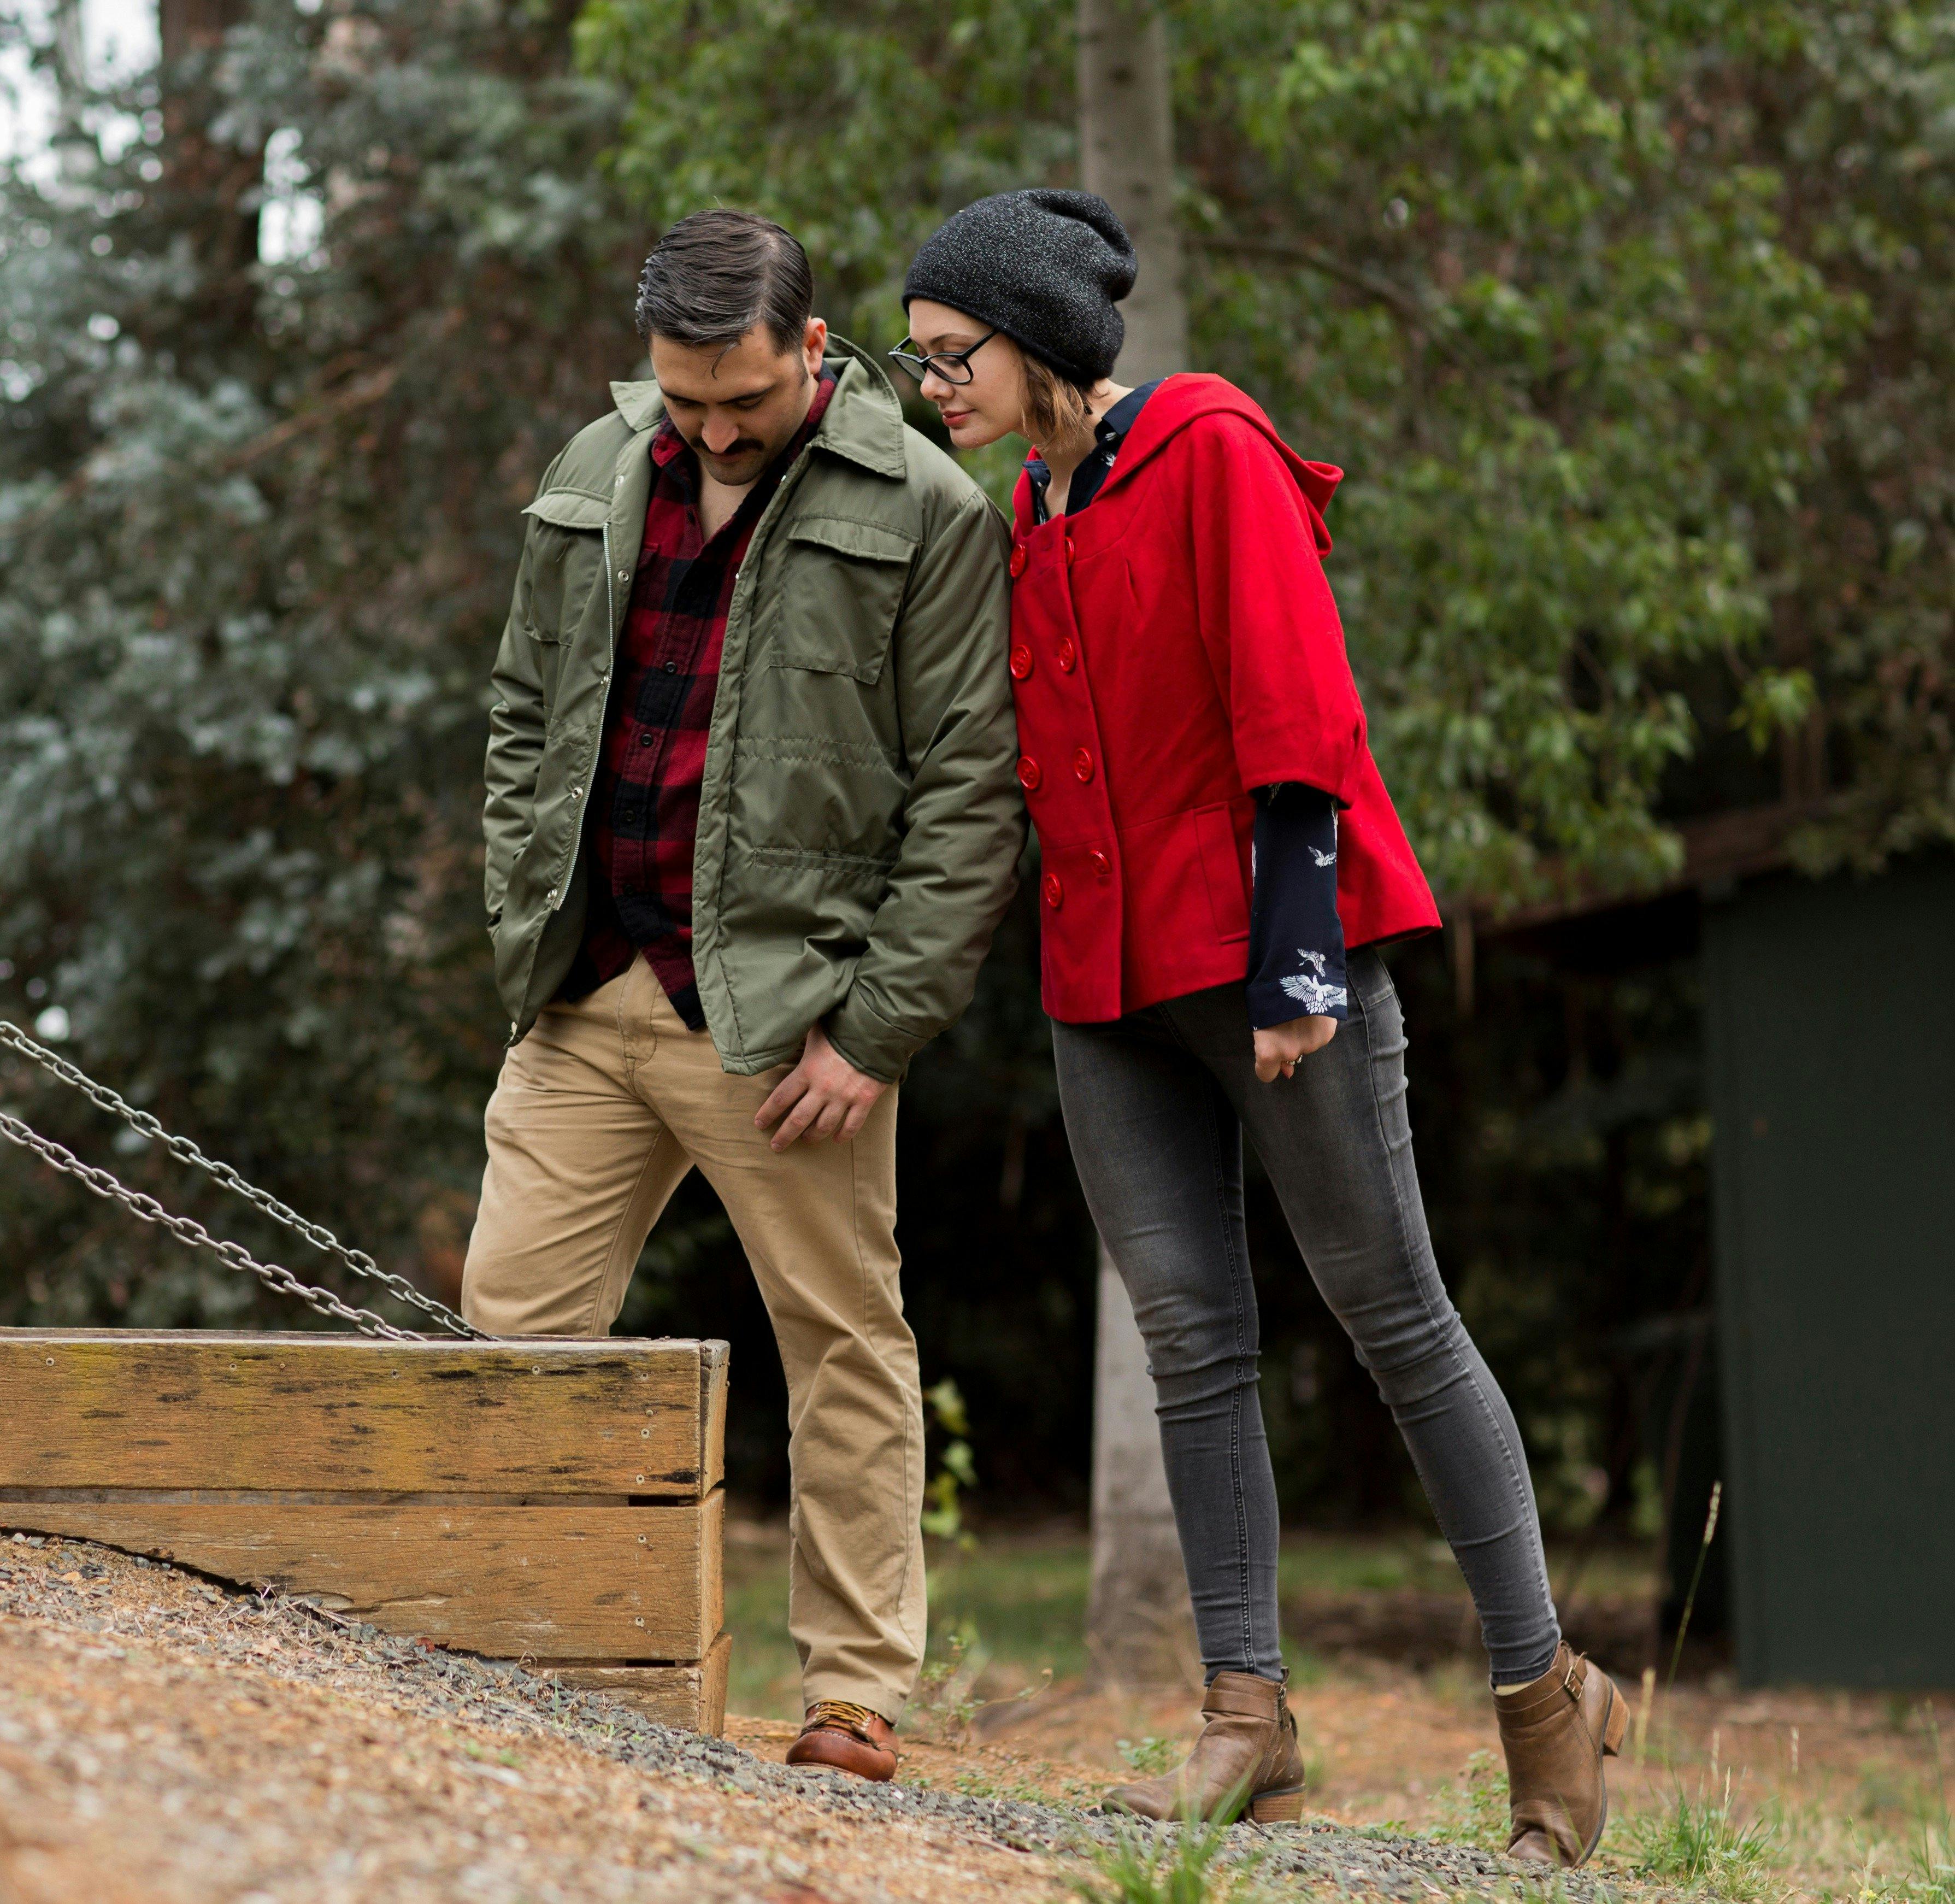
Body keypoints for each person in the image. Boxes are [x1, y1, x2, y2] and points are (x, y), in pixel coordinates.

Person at [894, 187, 1623, 1863]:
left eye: (952, 351)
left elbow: (1296, 703)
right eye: (921, 354)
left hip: (1269, 965)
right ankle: (1245, 1721)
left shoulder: (1208, 444)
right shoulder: (1027, 506)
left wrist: (1299, 968)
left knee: (1394, 1316)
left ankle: (1542, 1695)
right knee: (1191, 1349)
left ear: (1043, 343)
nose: (929, 378)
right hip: (1107, 991)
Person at [466, 209, 1024, 1782]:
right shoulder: (592, 469)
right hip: (585, 993)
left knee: (843, 1341)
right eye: (685, 398)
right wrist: (524, 903)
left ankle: (850, 1696)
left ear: (814, 348)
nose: (711, 429)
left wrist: (877, 1026)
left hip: (787, 1022)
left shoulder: (927, 508)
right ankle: (527, 1654)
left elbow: (972, 794)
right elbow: (523, 710)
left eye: (744, 402)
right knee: (509, 1335)